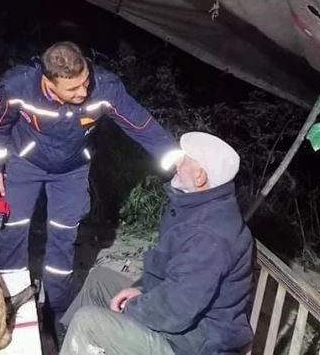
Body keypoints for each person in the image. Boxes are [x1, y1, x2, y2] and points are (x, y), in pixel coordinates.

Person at [0, 41, 181, 325]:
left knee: (63, 237)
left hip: (72, 170)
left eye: (85, 82)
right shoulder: (17, 87)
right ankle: (6, 300)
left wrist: (176, 158)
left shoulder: (105, 88)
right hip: (24, 163)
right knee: (13, 231)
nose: (83, 92)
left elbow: (141, 124)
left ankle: (56, 308)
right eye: (73, 89)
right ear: (49, 83)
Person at [59, 132, 254, 355]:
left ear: (200, 177)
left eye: (185, 159)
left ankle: (80, 339)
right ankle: (69, 343)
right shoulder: (196, 207)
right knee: (99, 280)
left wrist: (133, 306)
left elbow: (177, 310)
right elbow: (170, 275)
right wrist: (140, 289)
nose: (177, 164)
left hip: (193, 344)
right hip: (182, 323)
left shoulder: (209, 236)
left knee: (89, 323)